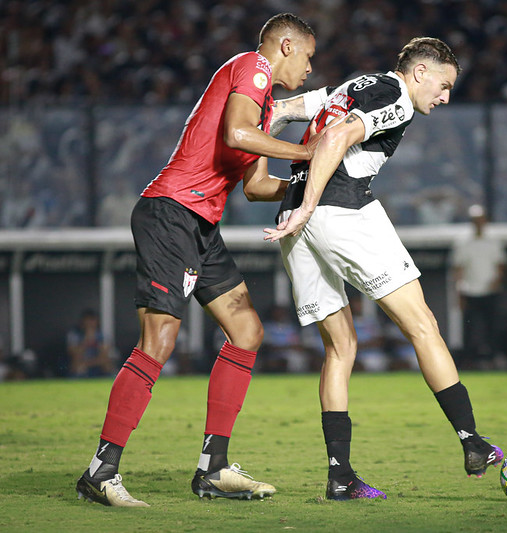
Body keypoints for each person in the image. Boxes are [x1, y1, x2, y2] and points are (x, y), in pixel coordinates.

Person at [76, 13, 326, 507]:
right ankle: (99, 471)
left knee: (247, 330)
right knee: (159, 339)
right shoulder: (252, 67)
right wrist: (307, 154)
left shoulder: (264, 104)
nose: (311, 69)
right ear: (287, 44)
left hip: (201, 224)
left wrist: (317, 187)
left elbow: (255, 188)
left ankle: (213, 469)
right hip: (171, 210)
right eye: (309, 57)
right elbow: (236, 134)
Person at [264, 37, 503, 500]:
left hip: (292, 220)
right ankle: (472, 442)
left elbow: (280, 110)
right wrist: (310, 206)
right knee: (423, 326)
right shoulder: (397, 97)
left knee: (340, 348)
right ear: (419, 73)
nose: (445, 97)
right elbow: (336, 137)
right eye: (444, 85)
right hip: (336, 211)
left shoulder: (353, 85)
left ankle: (340, 477)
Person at [450, 204, 507, 368]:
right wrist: (459, 291)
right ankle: (469, 361)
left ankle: (494, 358)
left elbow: (500, 264)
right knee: (469, 329)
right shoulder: (462, 241)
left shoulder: (494, 239)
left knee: (492, 327)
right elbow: (458, 268)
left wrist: (497, 282)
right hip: (470, 291)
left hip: (490, 291)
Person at [66, 309, 115, 378]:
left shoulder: (102, 335)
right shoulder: (75, 335)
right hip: (81, 365)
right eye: (87, 320)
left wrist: (87, 364)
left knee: (107, 365)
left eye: (92, 320)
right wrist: (86, 341)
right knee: (76, 365)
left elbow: (104, 357)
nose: (89, 323)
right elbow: (75, 355)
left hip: (96, 364)